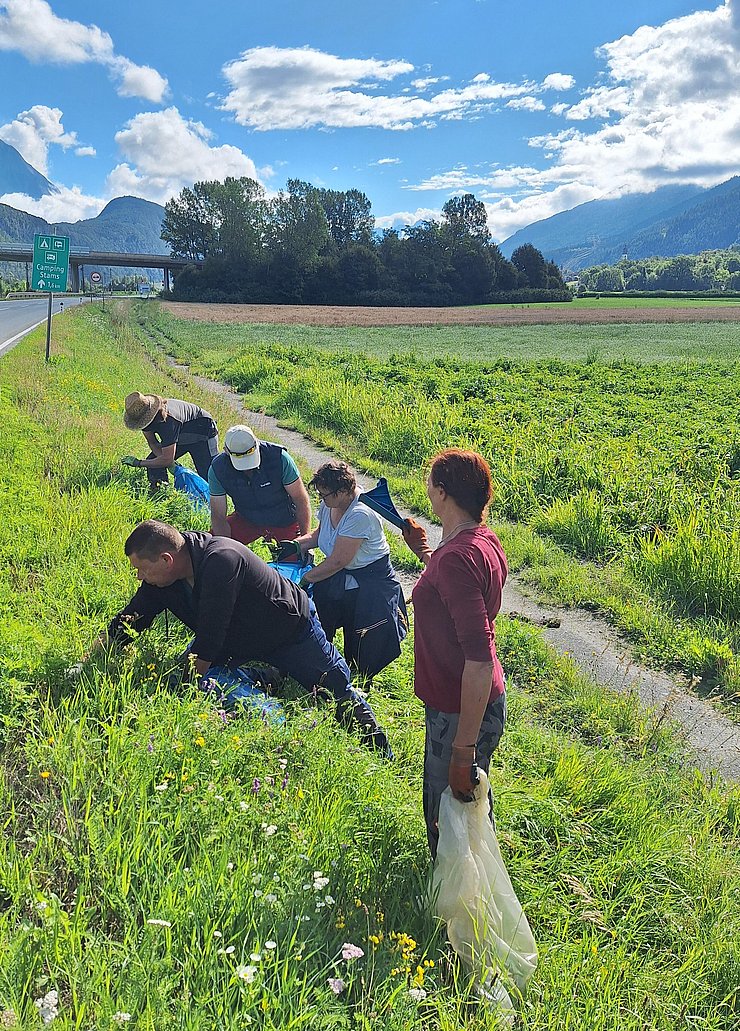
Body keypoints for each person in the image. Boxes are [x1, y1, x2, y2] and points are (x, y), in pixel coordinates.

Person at [87, 519, 391, 755]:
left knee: (334, 688)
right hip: (239, 638)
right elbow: (133, 617)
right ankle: (269, 675)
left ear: (167, 560)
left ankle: (381, 753)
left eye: (140, 569)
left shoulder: (221, 559)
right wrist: (92, 658)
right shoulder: (163, 580)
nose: (139, 576)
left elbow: (210, 634)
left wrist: (186, 690)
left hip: (288, 630)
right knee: (204, 677)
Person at [402, 449, 507, 857]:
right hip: (475, 702)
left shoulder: (455, 560)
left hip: (460, 708)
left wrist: (461, 751)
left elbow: (479, 661)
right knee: (471, 802)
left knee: (448, 809)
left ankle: (459, 905)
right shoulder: (481, 540)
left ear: (442, 493)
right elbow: (457, 590)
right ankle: (477, 880)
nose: (427, 490)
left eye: (430, 483)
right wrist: (426, 552)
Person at [291, 462, 407, 682]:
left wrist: (305, 579)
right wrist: (297, 544)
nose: (321, 499)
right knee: (322, 622)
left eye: (324, 495)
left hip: (370, 583)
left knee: (363, 640)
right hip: (340, 578)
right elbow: (320, 534)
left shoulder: (360, 514)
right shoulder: (330, 504)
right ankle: (322, 666)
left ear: (343, 491)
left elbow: (337, 561)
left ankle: (359, 684)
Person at [209, 425, 311, 546]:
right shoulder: (218, 469)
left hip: (284, 520)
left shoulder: (279, 458)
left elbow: (300, 499)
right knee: (210, 549)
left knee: (296, 560)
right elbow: (218, 516)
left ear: (257, 443)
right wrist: (224, 549)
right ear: (226, 451)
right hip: (246, 519)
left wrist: (305, 542)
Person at [123, 392, 219, 490]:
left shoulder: (169, 421)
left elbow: (167, 459)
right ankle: (161, 494)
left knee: (209, 475)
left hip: (204, 432)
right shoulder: (143, 420)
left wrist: (139, 463)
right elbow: (153, 442)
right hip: (181, 435)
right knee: (154, 464)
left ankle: (212, 502)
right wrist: (162, 459)